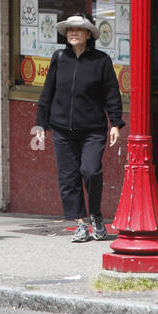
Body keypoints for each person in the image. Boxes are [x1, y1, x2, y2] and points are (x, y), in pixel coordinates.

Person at [31, 14, 124, 243]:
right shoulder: (59, 58)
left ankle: (96, 215)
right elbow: (47, 93)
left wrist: (115, 123)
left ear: (89, 35)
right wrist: (40, 124)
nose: (73, 33)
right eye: (70, 30)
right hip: (62, 129)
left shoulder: (101, 61)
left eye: (79, 30)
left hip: (93, 128)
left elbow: (111, 94)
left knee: (91, 171)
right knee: (68, 178)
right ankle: (80, 223)